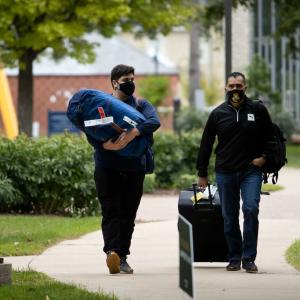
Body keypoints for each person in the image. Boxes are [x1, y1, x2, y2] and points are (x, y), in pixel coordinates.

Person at [196, 72, 273, 273]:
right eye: (232, 86)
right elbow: (206, 144)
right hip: (225, 171)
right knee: (229, 216)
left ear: (245, 87)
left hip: (251, 171)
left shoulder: (257, 109)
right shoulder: (217, 113)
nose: (235, 89)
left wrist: (264, 157)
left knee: (250, 209)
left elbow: (270, 136)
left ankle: (248, 258)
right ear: (226, 88)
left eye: (239, 85)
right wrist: (201, 173)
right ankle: (234, 257)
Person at [86, 64, 160, 274]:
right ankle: (112, 252)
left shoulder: (140, 105)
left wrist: (134, 132)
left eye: (132, 79)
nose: (130, 84)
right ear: (114, 83)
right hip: (106, 167)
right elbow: (90, 128)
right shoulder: (103, 105)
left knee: (128, 214)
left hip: (133, 168)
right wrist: (104, 145)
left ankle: (122, 256)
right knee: (110, 211)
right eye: (125, 80)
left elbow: (154, 121)